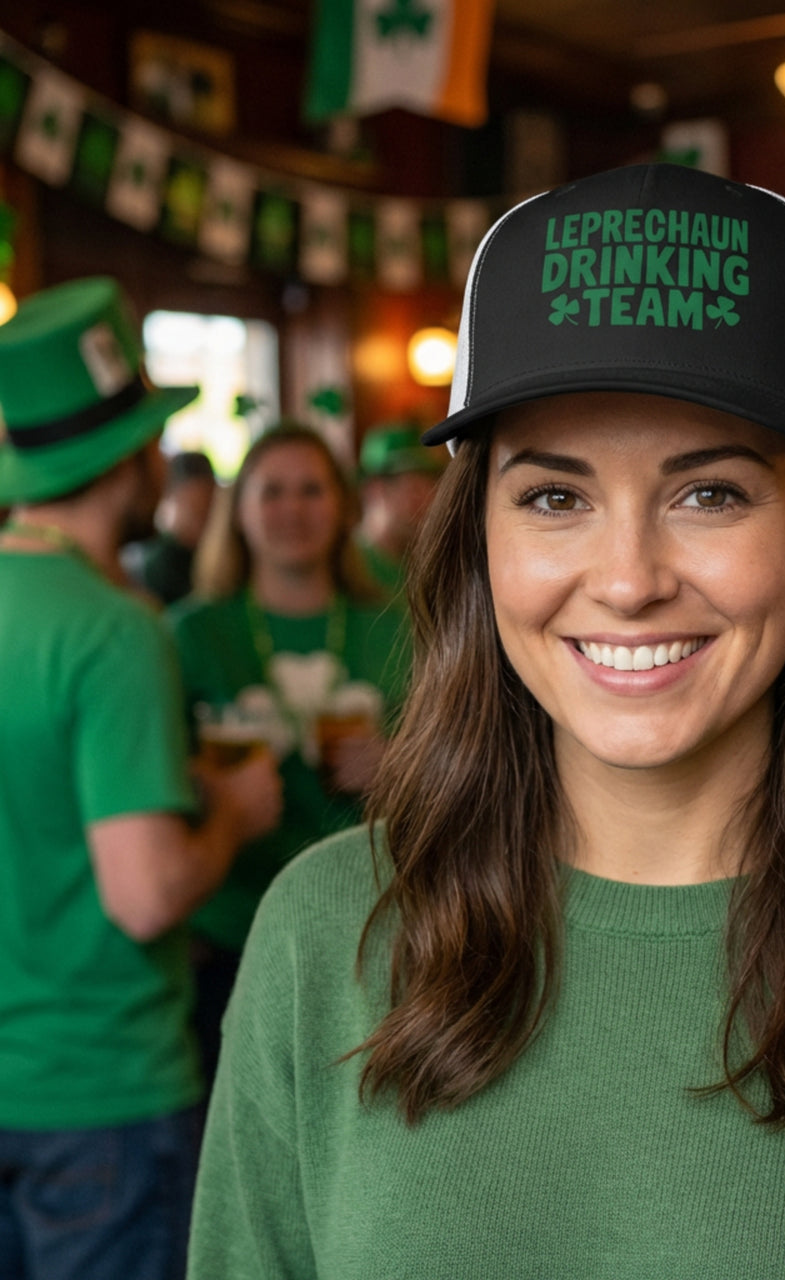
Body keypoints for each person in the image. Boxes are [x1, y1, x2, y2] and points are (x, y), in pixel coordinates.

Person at [187, 164, 785, 1279]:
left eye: (710, 493)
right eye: (555, 496)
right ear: (477, 544)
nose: (628, 579)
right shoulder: (323, 932)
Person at [0, 277, 281, 1280]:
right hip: (103, 1090)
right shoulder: (115, 628)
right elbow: (146, 890)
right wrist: (234, 814)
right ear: (130, 457)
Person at [168, 422, 411, 1075]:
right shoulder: (190, 633)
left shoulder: (394, 623)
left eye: (311, 490)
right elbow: (146, 774)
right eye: (271, 492)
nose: (292, 510)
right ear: (239, 509)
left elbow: (468, 762)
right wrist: (204, 781)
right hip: (228, 933)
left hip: (365, 929)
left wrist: (402, 765)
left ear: (342, 506)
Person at [356, 421, 447, 593]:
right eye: (414, 489)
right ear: (374, 489)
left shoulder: (431, 567)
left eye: (431, 485)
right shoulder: (346, 567)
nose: (427, 500)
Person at [120, 449, 217, 604]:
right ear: (169, 501)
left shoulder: (226, 553)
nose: (203, 520)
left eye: (209, 508)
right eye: (193, 510)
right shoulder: (155, 564)